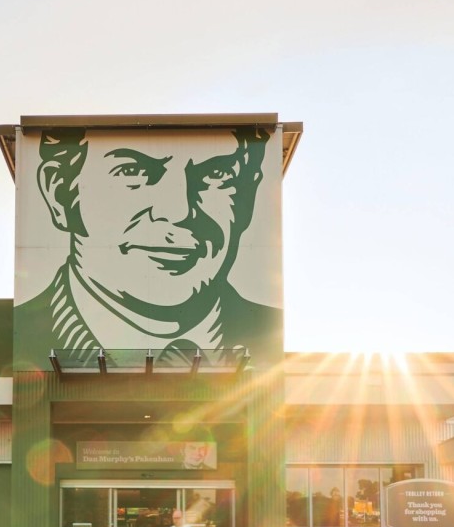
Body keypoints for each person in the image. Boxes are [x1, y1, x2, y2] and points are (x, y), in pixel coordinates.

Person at [15, 126, 281, 365]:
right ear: (61, 193)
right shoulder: (18, 343)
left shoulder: (268, 339)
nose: (178, 212)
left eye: (216, 173)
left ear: (249, 196)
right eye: (134, 172)